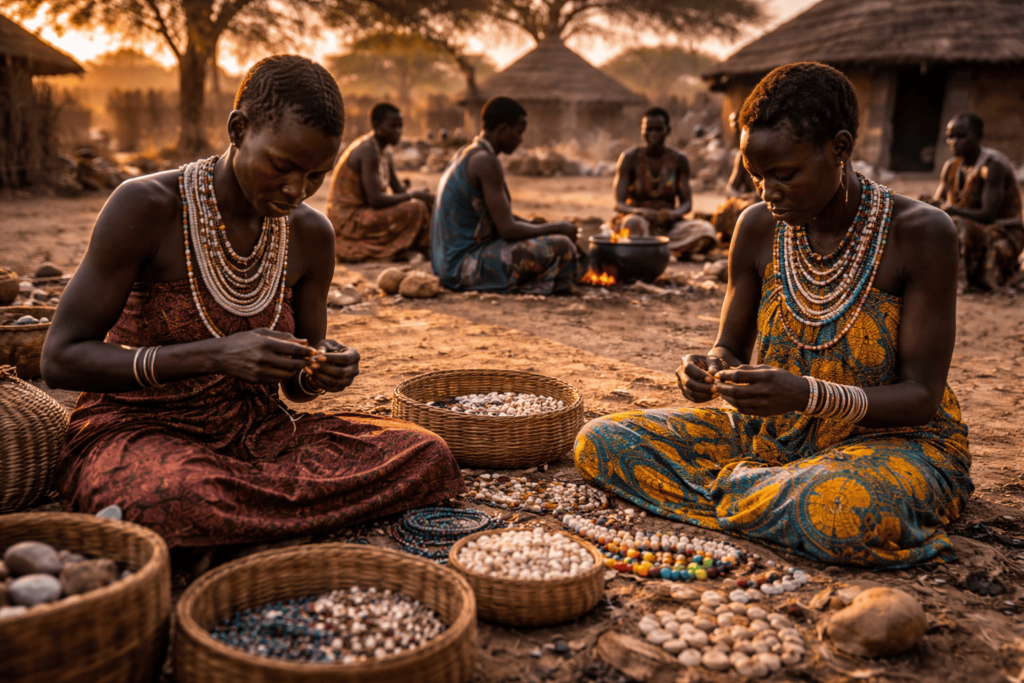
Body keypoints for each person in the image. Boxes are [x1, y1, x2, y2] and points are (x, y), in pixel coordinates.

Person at [41, 56, 464, 551]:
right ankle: (241, 520)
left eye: (315, 176)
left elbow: (297, 388)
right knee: (168, 496)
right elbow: (60, 359)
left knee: (426, 454)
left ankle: (230, 529)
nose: (296, 190)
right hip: (140, 430)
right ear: (238, 129)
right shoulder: (148, 206)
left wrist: (320, 368)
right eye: (282, 166)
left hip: (260, 436)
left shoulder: (310, 235)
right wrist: (214, 355)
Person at [574, 62, 972, 568]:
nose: (767, 192)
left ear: (841, 147)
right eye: (756, 176)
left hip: (892, 443)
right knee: (603, 442)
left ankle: (760, 493)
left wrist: (806, 394)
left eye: (784, 175)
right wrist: (706, 368)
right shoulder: (757, 227)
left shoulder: (921, 232)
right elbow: (730, 347)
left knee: (835, 506)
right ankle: (766, 495)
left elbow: (921, 397)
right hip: (773, 437)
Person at [431, 96, 586, 294]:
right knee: (561, 246)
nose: (520, 140)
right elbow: (507, 230)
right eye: (519, 132)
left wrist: (540, 226)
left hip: (446, 266)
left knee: (542, 230)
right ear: (503, 129)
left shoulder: (467, 153)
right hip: (463, 268)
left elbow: (497, 220)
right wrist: (556, 227)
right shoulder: (486, 162)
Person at [326, 103, 434, 262]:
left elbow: (398, 190)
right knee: (417, 208)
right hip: (348, 219)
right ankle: (417, 249)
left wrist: (420, 194)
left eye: (400, 127)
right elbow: (375, 199)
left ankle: (427, 248)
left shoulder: (385, 151)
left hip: (365, 211)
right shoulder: (368, 150)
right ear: (376, 125)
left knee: (425, 203)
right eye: (393, 126)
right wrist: (413, 194)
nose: (398, 132)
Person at [930, 113, 1023, 290]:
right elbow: (938, 203)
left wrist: (952, 210)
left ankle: (958, 283)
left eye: (961, 136)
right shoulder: (950, 167)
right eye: (950, 137)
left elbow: (988, 215)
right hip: (973, 230)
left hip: (1004, 233)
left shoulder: (992, 167)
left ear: (978, 137)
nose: (954, 142)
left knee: (955, 224)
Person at [609, 107, 717, 256]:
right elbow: (618, 203)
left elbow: (687, 203)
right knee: (633, 225)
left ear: (668, 130)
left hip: (668, 225)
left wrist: (672, 214)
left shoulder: (679, 159)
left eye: (658, 130)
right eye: (649, 130)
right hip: (639, 222)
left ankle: (655, 249)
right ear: (642, 131)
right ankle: (666, 250)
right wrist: (639, 212)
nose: (653, 135)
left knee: (706, 231)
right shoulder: (629, 158)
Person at [711, 111, 760, 244]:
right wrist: (744, 199)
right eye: (733, 124)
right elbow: (730, 190)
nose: (734, 128)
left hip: (766, 204)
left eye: (737, 124)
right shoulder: (741, 156)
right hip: (751, 202)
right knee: (724, 213)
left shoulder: (767, 150)